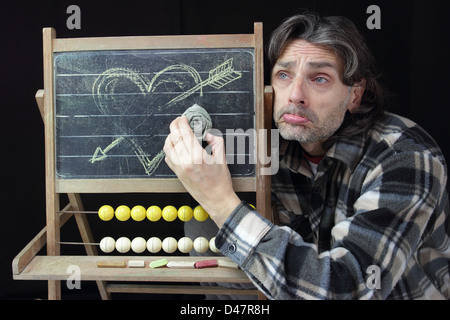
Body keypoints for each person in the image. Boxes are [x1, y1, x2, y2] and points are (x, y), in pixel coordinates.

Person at [163, 12, 450, 299]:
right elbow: (228, 285)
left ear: (355, 94)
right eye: (284, 75)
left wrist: (220, 201)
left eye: (320, 78)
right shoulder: (260, 149)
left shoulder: (405, 156)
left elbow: (347, 289)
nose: (295, 95)